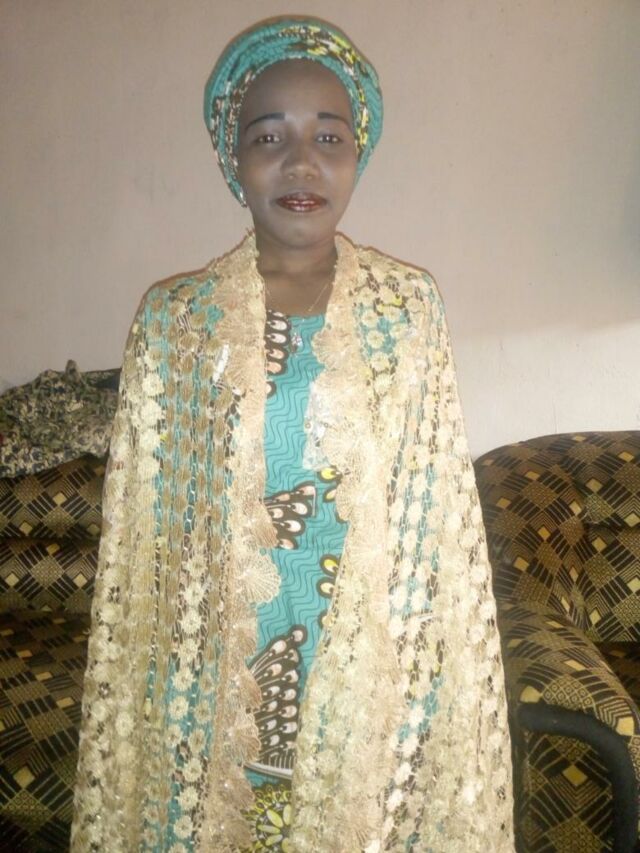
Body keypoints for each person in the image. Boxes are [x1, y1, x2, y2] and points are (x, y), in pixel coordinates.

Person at [71, 16, 514, 852]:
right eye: (268, 136)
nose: (300, 162)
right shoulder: (176, 321)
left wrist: (424, 689)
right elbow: (148, 538)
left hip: (363, 681)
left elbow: (431, 520)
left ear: (358, 153)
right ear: (232, 158)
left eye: (328, 137)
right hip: (215, 687)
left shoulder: (407, 312)